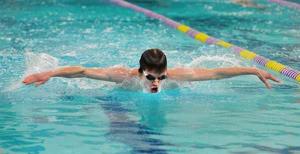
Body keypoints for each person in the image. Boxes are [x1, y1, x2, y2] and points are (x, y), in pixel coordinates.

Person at [23, 48, 280, 93]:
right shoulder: (124, 76)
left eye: (161, 77)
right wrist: (51, 73)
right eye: (150, 77)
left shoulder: (177, 75)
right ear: (140, 71)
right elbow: (82, 72)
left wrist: (253, 70)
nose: (156, 82)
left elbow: (215, 73)